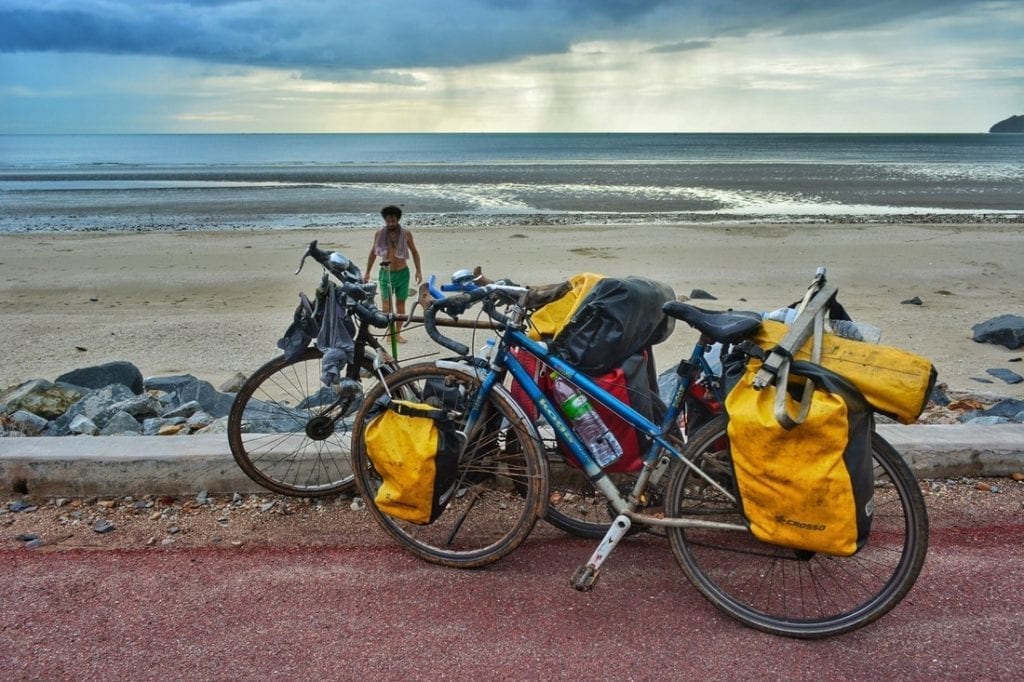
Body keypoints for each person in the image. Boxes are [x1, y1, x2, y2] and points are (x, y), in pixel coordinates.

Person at [365, 205, 422, 343]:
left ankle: (397, 334)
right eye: (388, 221)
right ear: (385, 220)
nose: (391, 224)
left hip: (403, 274)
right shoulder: (379, 234)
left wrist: (418, 271)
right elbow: (373, 253)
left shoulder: (406, 234)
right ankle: (390, 332)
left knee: (400, 305)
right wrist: (367, 272)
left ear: (398, 220)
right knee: (386, 306)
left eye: (393, 221)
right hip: (386, 274)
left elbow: (414, 252)